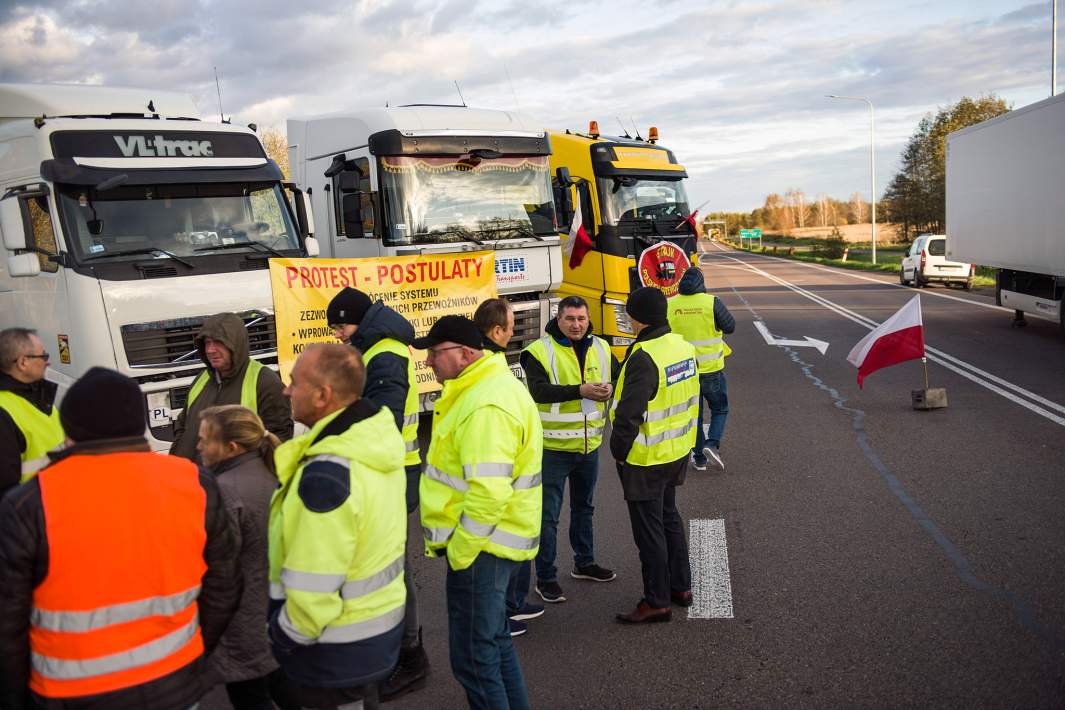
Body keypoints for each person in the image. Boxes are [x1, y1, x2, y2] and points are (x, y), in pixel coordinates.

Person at [0, 367, 241, 709]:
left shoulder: (28, 504)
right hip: (175, 680)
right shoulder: (194, 483)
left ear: (69, 427)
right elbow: (225, 587)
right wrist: (195, 652)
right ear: (137, 422)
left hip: (70, 693)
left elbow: (8, 626)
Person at [269, 343, 406, 710]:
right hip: (373, 630)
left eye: (294, 382)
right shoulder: (373, 438)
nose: (286, 391)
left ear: (322, 395)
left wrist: (281, 637)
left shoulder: (327, 474)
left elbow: (313, 588)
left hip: (333, 646)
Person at [416, 315, 542, 710]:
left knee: (474, 659)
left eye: (436, 353)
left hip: (482, 548)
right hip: (490, 544)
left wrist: (462, 550)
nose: (429, 362)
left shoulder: (485, 402)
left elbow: (489, 492)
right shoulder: (483, 388)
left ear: (466, 353)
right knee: (494, 643)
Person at [326, 287, 430, 699]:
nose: (337, 334)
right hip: (389, 470)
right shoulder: (375, 346)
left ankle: (410, 656)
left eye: (340, 326)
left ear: (357, 319)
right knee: (391, 566)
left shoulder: (383, 352)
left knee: (394, 569)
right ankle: (401, 650)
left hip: (392, 473)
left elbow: (382, 415)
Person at [520, 295, 619, 608]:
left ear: (588, 319)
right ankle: (546, 578)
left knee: (584, 508)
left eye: (581, 319)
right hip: (552, 448)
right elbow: (538, 392)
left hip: (589, 446)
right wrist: (581, 391)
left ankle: (584, 563)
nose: (576, 325)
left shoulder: (602, 347)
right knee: (548, 518)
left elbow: (617, 377)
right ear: (558, 320)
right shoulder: (537, 352)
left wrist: (611, 388)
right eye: (570, 319)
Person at [610, 287, 697, 624]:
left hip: (646, 457)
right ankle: (681, 587)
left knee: (650, 530)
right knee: (669, 518)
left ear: (637, 318)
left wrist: (619, 452)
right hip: (676, 449)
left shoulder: (644, 356)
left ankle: (657, 600)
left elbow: (629, 414)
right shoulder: (681, 347)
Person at [197, 405, 283, 710]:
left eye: (205, 440)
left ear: (231, 447)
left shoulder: (223, 491)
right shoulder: (272, 472)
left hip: (244, 623)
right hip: (276, 614)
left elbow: (216, 566)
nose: (199, 447)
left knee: (252, 699)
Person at [474, 298, 541, 637]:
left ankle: (509, 607)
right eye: (512, 326)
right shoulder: (489, 371)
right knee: (497, 558)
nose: (514, 331)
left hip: (514, 485)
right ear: (498, 330)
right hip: (502, 489)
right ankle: (499, 619)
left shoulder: (492, 365)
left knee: (509, 554)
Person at [171, 312, 293, 463]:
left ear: (235, 343)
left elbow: (279, 440)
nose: (210, 350)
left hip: (235, 483)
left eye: (218, 342)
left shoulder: (265, 382)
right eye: (207, 342)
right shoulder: (201, 379)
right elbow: (182, 426)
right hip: (190, 481)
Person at [667, 267, 735, 470]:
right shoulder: (711, 302)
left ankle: (699, 458)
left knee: (694, 415)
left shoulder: (670, 304)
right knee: (720, 408)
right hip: (711, 369)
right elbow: (730, 327)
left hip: (684, 371)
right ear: (701, 283)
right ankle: (712, 444)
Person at [0, 327, 65, 496]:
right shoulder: (4, 410)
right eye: (43, 356)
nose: (48, 361)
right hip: (35, 515)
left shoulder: (41, 396)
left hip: (58, 505)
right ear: (23, 363)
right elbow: (6, 492)